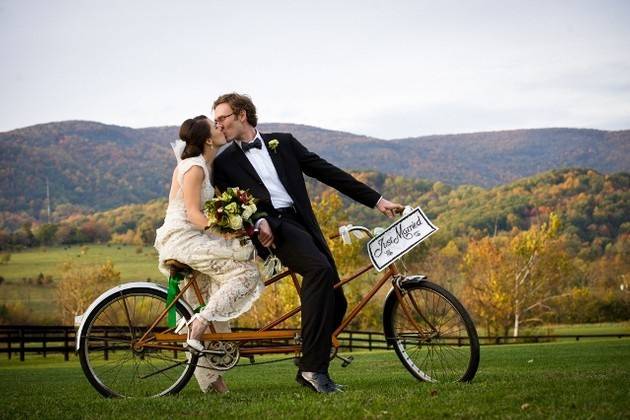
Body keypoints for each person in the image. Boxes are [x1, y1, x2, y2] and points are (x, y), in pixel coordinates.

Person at [211, 93, 403, 393]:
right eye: (216, 120)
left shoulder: (284, 142)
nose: (218, 124)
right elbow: (233, 205)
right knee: (319, 271)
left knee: (337, 300)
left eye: (222, 118)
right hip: (273, 229)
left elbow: (329, 173)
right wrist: (259, 221)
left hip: (304, 226)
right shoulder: (224, 163)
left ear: (242, 115)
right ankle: (314, 369)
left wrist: (377, 201)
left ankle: (307, 364)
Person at [154, 115, 264, 394]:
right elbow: (192, 213)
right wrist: (226, 231)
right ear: (206, 139)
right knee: (247, 272)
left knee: (209, 296)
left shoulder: (203, 165)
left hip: (195, 237)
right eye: (215, 126)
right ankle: (199, 324)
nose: (220, 127)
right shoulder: (193, 168)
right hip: (183, 239)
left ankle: (212, 382)